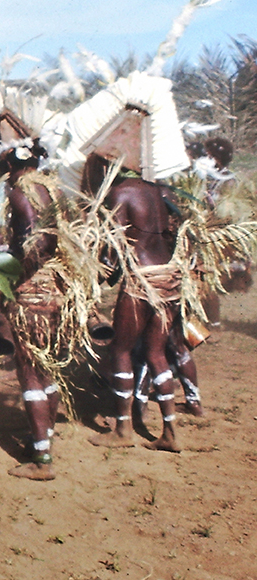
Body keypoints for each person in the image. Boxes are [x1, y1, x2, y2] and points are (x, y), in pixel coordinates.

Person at [88, 154, 182, 452]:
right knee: (156, 353)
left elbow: (113, 250)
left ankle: (123, 429)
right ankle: (170, 433)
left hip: (141, 278)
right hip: (169, 275)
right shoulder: (155, 190)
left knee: (121, 349)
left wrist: (93, 277)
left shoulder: (119, 192)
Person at [1, 142, 64, 480]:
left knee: (29, 372)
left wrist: (12, 273)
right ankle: (45, 438)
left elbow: (35, 242)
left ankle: (42, 459)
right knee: (45, 368)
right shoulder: (49, 188)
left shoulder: (20, 191)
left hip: (32, 291)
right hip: (53, 286)